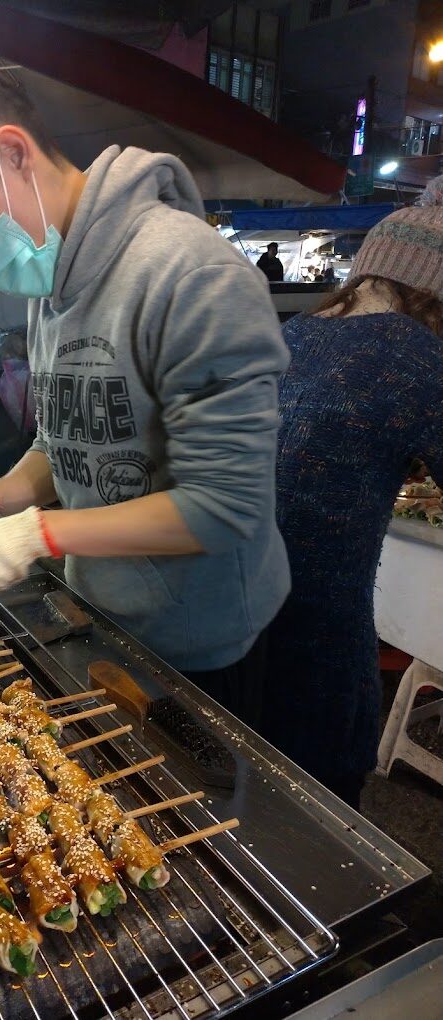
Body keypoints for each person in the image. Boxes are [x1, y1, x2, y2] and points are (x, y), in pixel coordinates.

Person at [0, 54, 291, 723]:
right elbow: (66, 438)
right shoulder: (53, 284)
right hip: (101, 618)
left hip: (202, 648)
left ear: (12, 153)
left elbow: (225, 506)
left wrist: (33, 536)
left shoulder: (192, 276)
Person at [263, 199, 443, 808]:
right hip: (321, 646)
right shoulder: (417, 357)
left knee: (236, 812)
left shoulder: (289, 333)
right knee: (320, 823)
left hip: (229, 623)